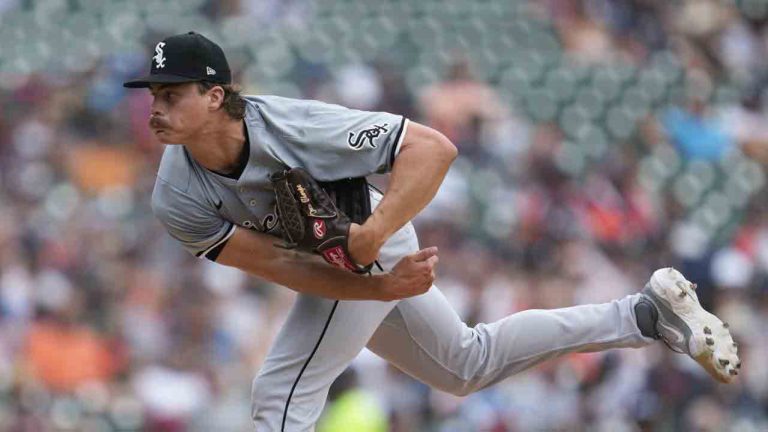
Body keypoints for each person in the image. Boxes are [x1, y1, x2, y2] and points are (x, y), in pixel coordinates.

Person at [123, 32, 740, 431]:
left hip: (372, 235)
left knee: (279, 394)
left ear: (216, 95)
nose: (155, 108)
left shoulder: (296, 126)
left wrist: (375, 235)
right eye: (153, 94)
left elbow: (432, 148)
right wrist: (381, 289)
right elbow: (282, 268)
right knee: (465, 366)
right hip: (338, 262)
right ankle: (641, 316)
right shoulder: (175, 195)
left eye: (171, 94)